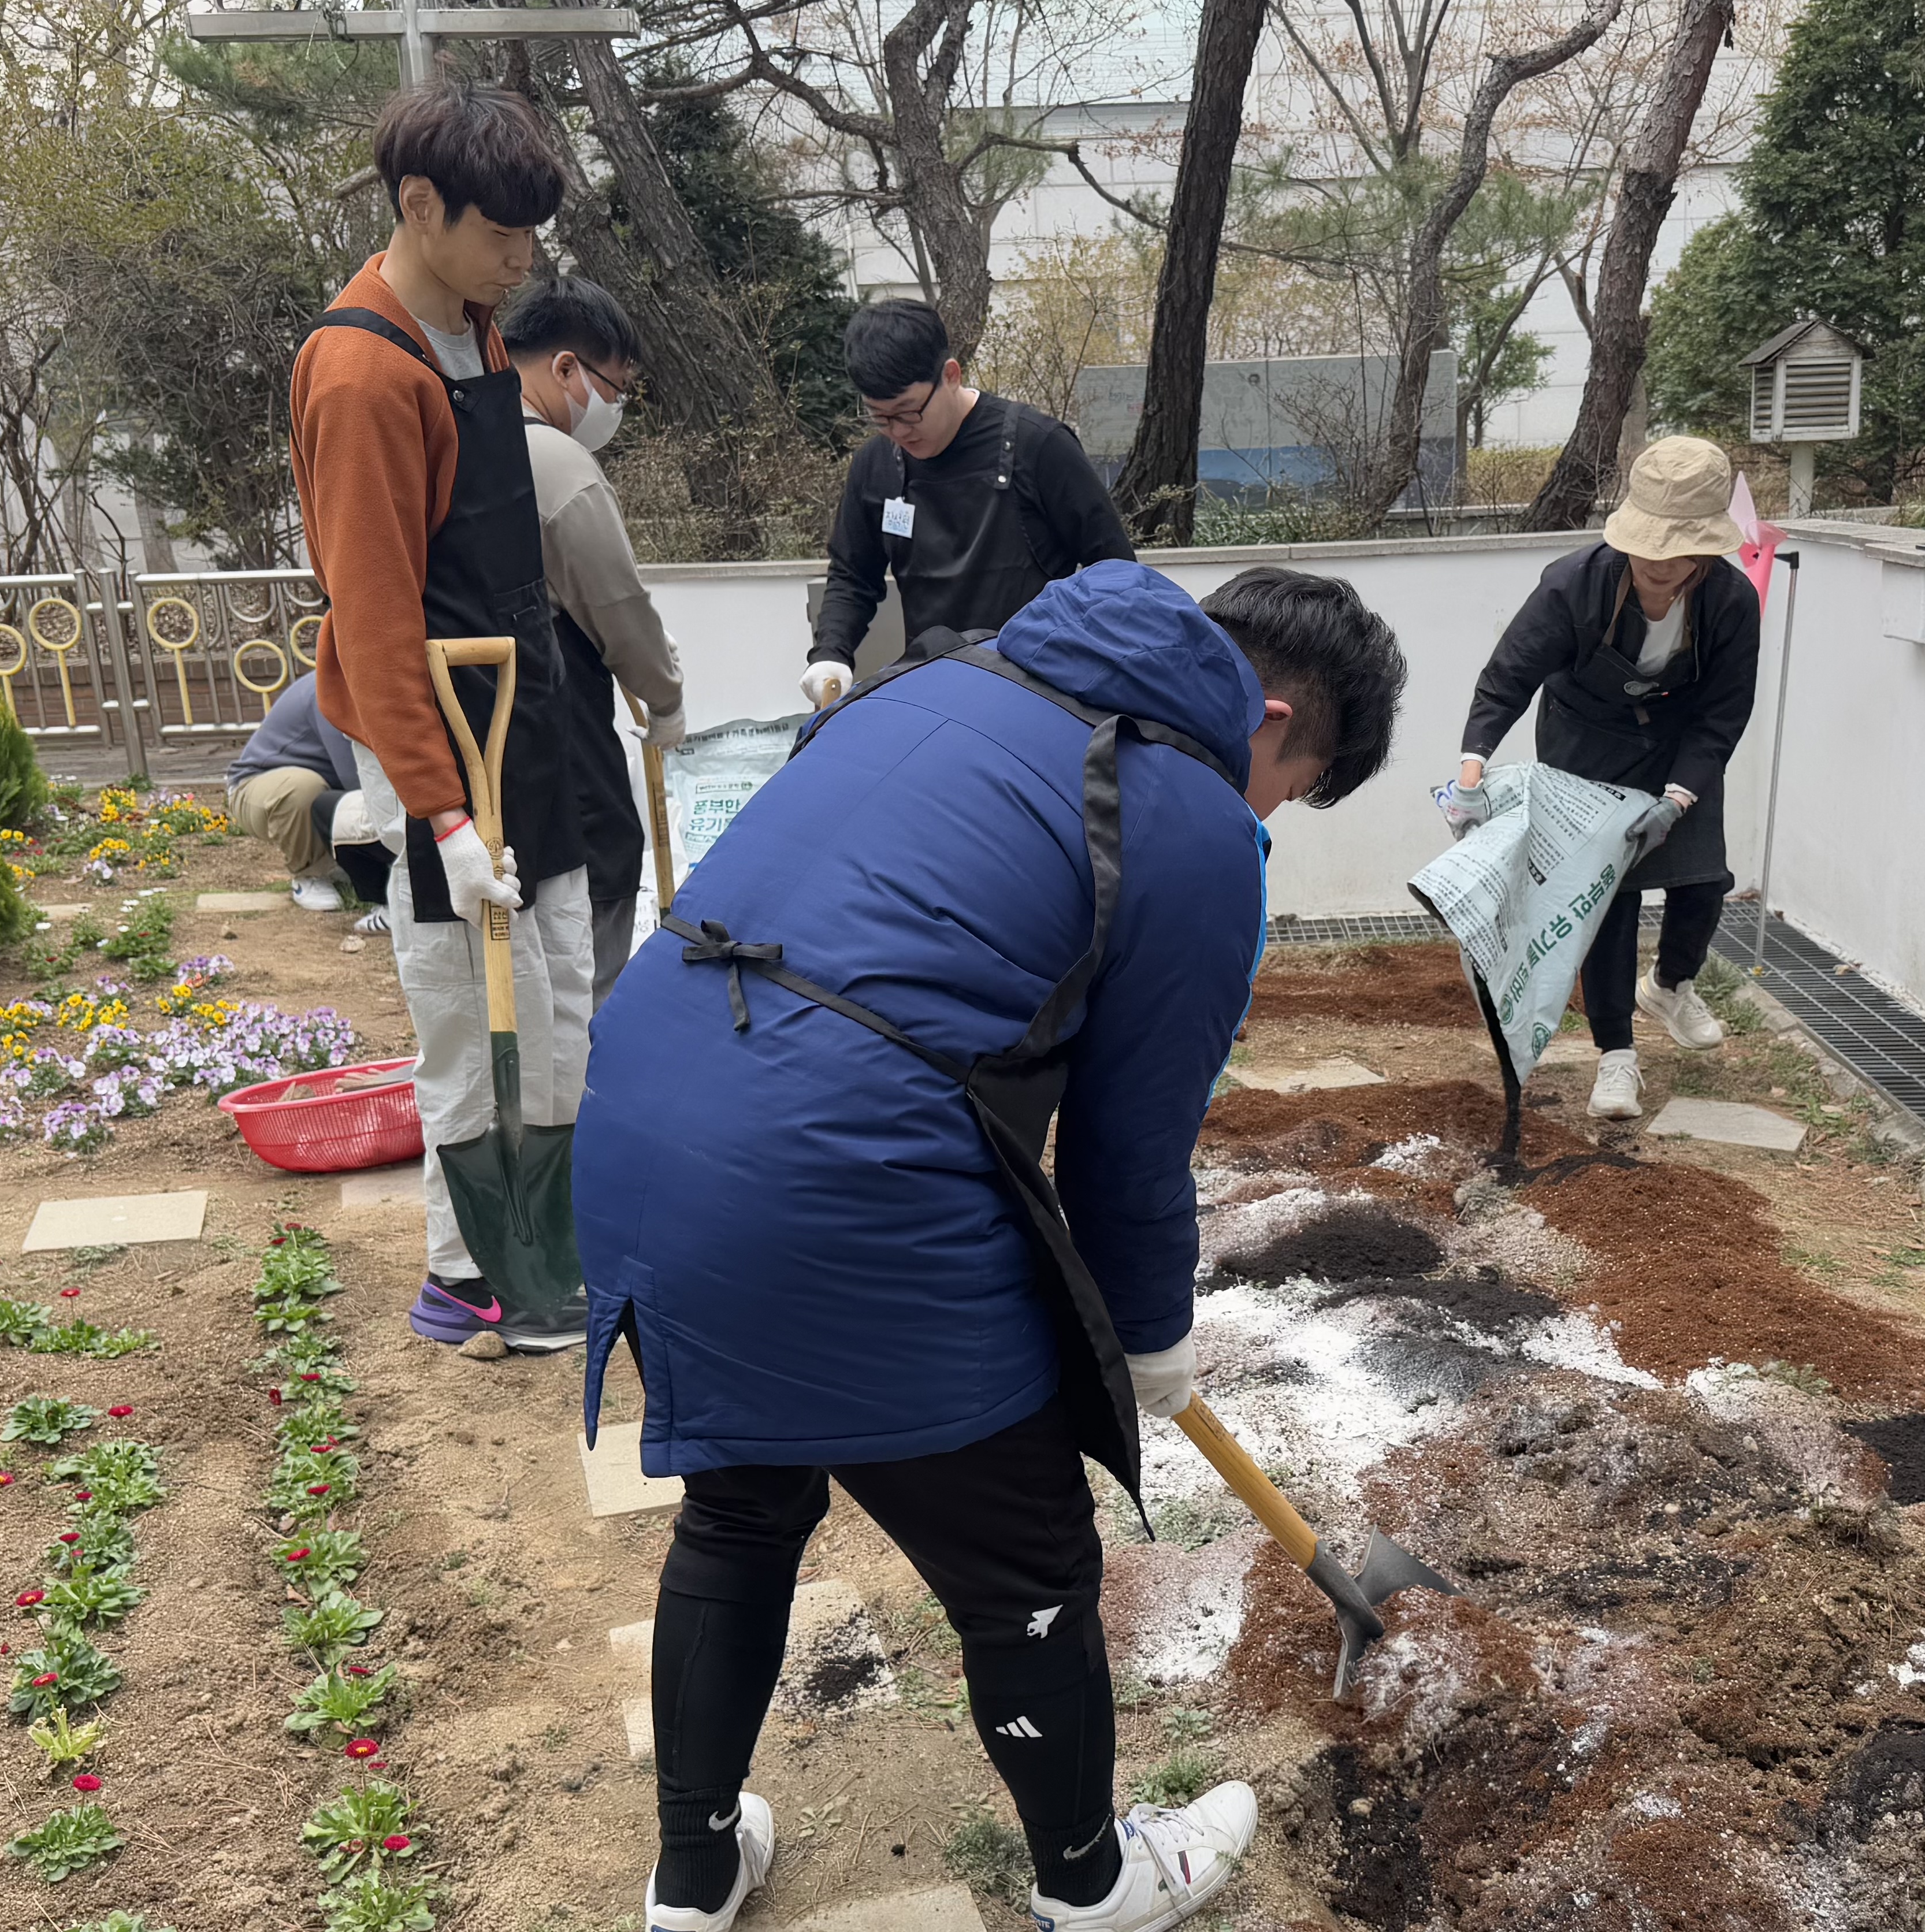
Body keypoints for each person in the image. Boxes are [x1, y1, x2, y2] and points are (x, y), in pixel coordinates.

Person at [573, 559, 1406, 1932]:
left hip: (649, 1116)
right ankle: (1090, 1876)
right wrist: (1153, 1337)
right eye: (1291, 787)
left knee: (746, 1501)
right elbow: (1128, 1150)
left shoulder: (934, 681)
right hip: (836, 1169)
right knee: (1026, 1562)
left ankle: (696, 1865)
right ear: (1266, 717)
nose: (1269, 819)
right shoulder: (1190, 812)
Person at [288, 77, 591, 1351]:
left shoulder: (474, 326)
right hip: (441, 731)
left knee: (557, 983)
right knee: (477, 1004)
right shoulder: (362, 374)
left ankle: (520, 1251)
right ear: (420, 205)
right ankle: (488, 1275)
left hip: (516, 702)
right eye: (501, 235)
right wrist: (444, 814)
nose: (521, 264)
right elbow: (369, 616)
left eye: (533, 238)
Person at [1446, 436, 1762, 1122]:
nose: (1656, 561)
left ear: (1707, 550)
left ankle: (1671, 984)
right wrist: (1470, 773)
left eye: (1676, 549)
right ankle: (1616, 1057)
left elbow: (1722, 714)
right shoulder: (1572, 583)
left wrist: (1679, 796)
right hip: (1584, 742)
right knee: (1607, 897)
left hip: (1678, 745)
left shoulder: (1732, 602)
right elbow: (1506, 681)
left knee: (1704, 879)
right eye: (1646, 544)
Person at [497, 273, 686, 1008]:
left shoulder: (454, 432)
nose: (616, 408)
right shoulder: (556, 464)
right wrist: (665, 695)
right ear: (566, 368)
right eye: (618, 388)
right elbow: (617, 605)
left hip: (480, 739)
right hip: (556, 725)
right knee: (598, 883)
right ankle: (579, 1096)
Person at [799, 298, 1135, 709]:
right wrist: (831, 653)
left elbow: (1117, 572)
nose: (898, 432)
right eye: (880, 418)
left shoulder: (1039, 446)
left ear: (950, 375)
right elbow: (853, 576)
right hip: (933, 687)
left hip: (1040, 691)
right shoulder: (876, 465)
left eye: (909, 412)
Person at [222, 670, 393, 931]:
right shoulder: (330, 690)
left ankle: (340, 865)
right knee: (303, 788)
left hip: (322, 789)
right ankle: (309, 874)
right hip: (254, 788)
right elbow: (355, 776)